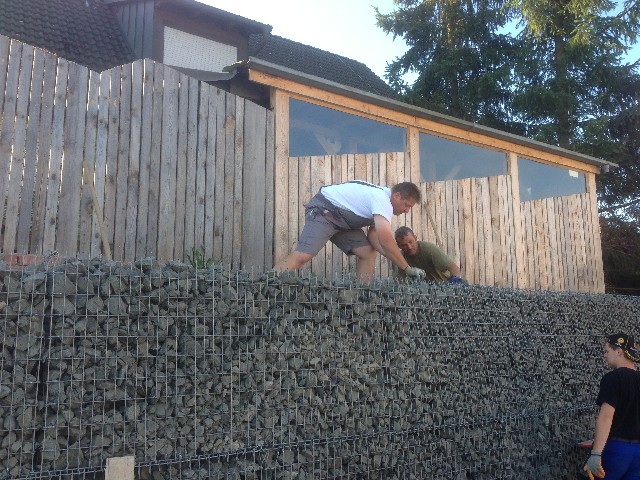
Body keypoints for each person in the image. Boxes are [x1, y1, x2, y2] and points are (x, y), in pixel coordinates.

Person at [273, 180, 427, 282]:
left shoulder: (383, 203)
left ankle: (363, 298)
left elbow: (374, 235)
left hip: (343, 222)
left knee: (368, 253)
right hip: (325, 211)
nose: (407, 210)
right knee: (303, 255)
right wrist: (406, 267)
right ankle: (266, 283)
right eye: (407, 205)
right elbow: (385, 240)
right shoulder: (382, 199)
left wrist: (394, 258)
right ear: (397, 195)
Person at [582, 333, 640, 480]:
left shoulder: (613, 378)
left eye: (607, 351)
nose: (605, 355)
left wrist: (596, 453)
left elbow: (606, 417)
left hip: (616, 449)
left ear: (619, 351)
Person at [394, 226, 467, 283]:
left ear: (415, 238)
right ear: (399, 246)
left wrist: (455, 282)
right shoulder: (401, 258)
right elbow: (401, 280)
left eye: (410, 242)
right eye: (404, 245)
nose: (409, 247)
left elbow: (454, 268)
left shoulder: (429, 249)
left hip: (444, 286)